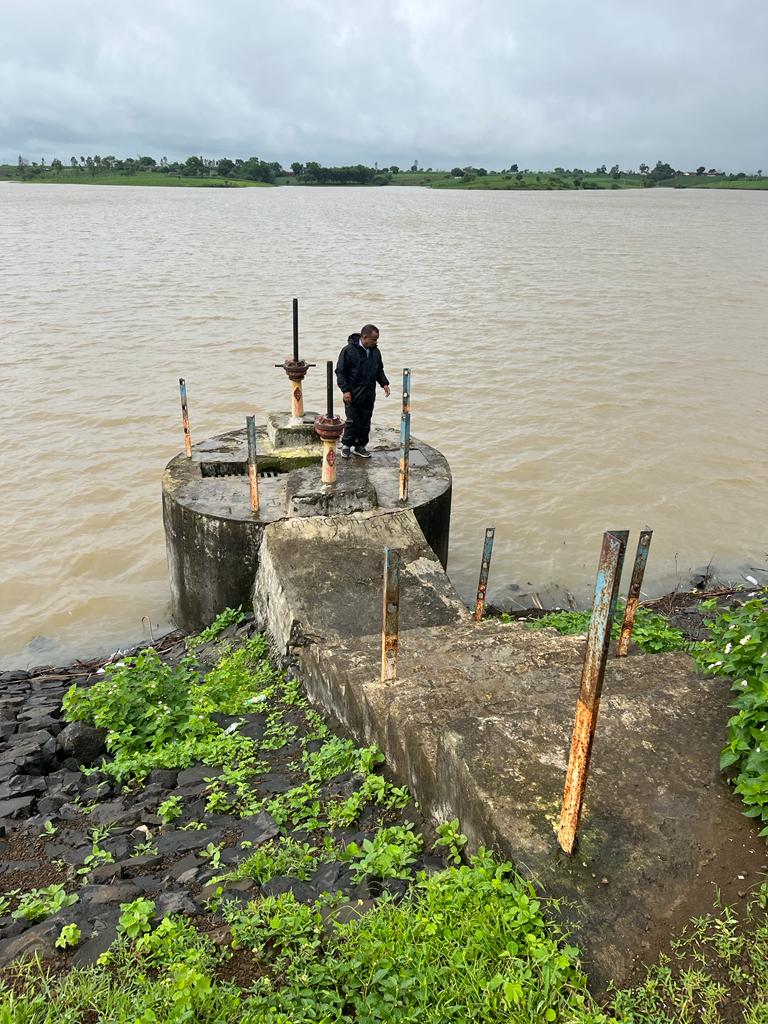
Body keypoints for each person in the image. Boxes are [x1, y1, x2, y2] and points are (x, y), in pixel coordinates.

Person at [335, 324, 390, 458]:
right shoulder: (348, 351)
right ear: (365, 338)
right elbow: (340, 372)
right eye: (374, 339)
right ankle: (347, 445)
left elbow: (379, 370)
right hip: (352, 393)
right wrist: (345, 390)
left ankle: (360, 446)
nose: (376, 342)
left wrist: (384, 383)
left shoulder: (376, 352)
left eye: (377, 339)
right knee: (352, 420)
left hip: (369, 392)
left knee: (365, 421)